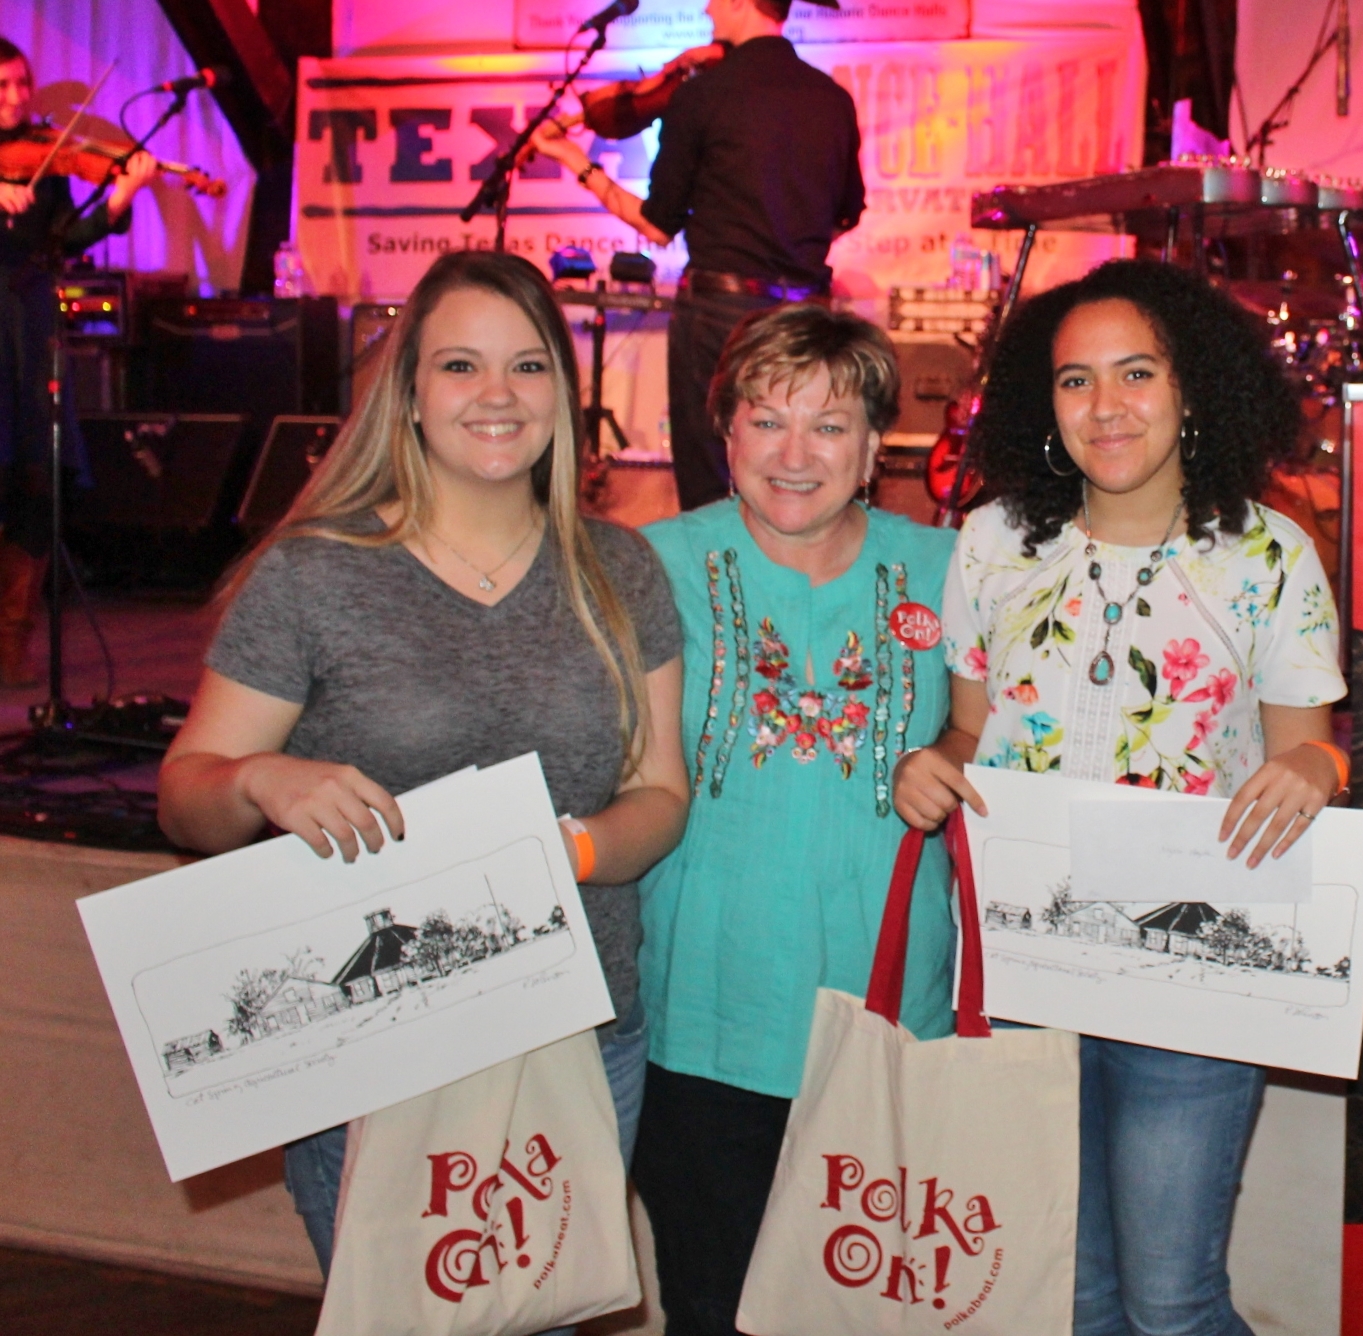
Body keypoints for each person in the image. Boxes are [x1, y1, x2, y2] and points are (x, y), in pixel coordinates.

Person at [155, 249, 690, 1304]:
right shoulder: (316, 573)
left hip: (576, 1026)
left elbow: (660, 794)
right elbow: (186, 796)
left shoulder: (621, 568)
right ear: (407, 394)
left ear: (565, 395)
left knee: (540, 1315)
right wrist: (263, 777)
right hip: (370, 1053)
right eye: (459, 366)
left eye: (529, 367)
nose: (497, 395)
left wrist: (565, 852)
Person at [897, 259, 1349, 1336]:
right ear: (1042, 405)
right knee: (1071, 1295)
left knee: (1172, 1303)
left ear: (1191, 388)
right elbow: (973, 726)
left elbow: (1319, 757)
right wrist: (934, 763)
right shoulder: (997, 543)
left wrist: (1314, 770)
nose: (1107, 407)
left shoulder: (1267, 556)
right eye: (1076, 381)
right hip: (1023, 965)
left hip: (1189, 979)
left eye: (1136, 373)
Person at [634, 302, 956, 1336]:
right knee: (713, 1308)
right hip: (703, 1011)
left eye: (829, 425)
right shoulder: (649, 565)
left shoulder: (951, 573)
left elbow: (1008, 740)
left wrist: (947, 756)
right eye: (767, 419)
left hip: (890, 1013)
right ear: (723, 433)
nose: (795, 453)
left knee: (877, 1314)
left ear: (873, 450)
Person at [531, 0, 863, 515]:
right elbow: (847, 213)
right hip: (806, 314)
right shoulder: (832, 99)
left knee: (712, 481)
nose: (707, 7)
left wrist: (574, 161)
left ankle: (716, 589)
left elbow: (656, 224)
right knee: (794, 472)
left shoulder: (703, 95)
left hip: (719, 314)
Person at [0, 38, 155, 685]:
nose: (15, 98)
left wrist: (120, 200)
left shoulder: (45, 157)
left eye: (20, 84)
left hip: (28, 320)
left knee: (35, 473)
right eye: (1, 86)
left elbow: (70, 234)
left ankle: (12, 641)